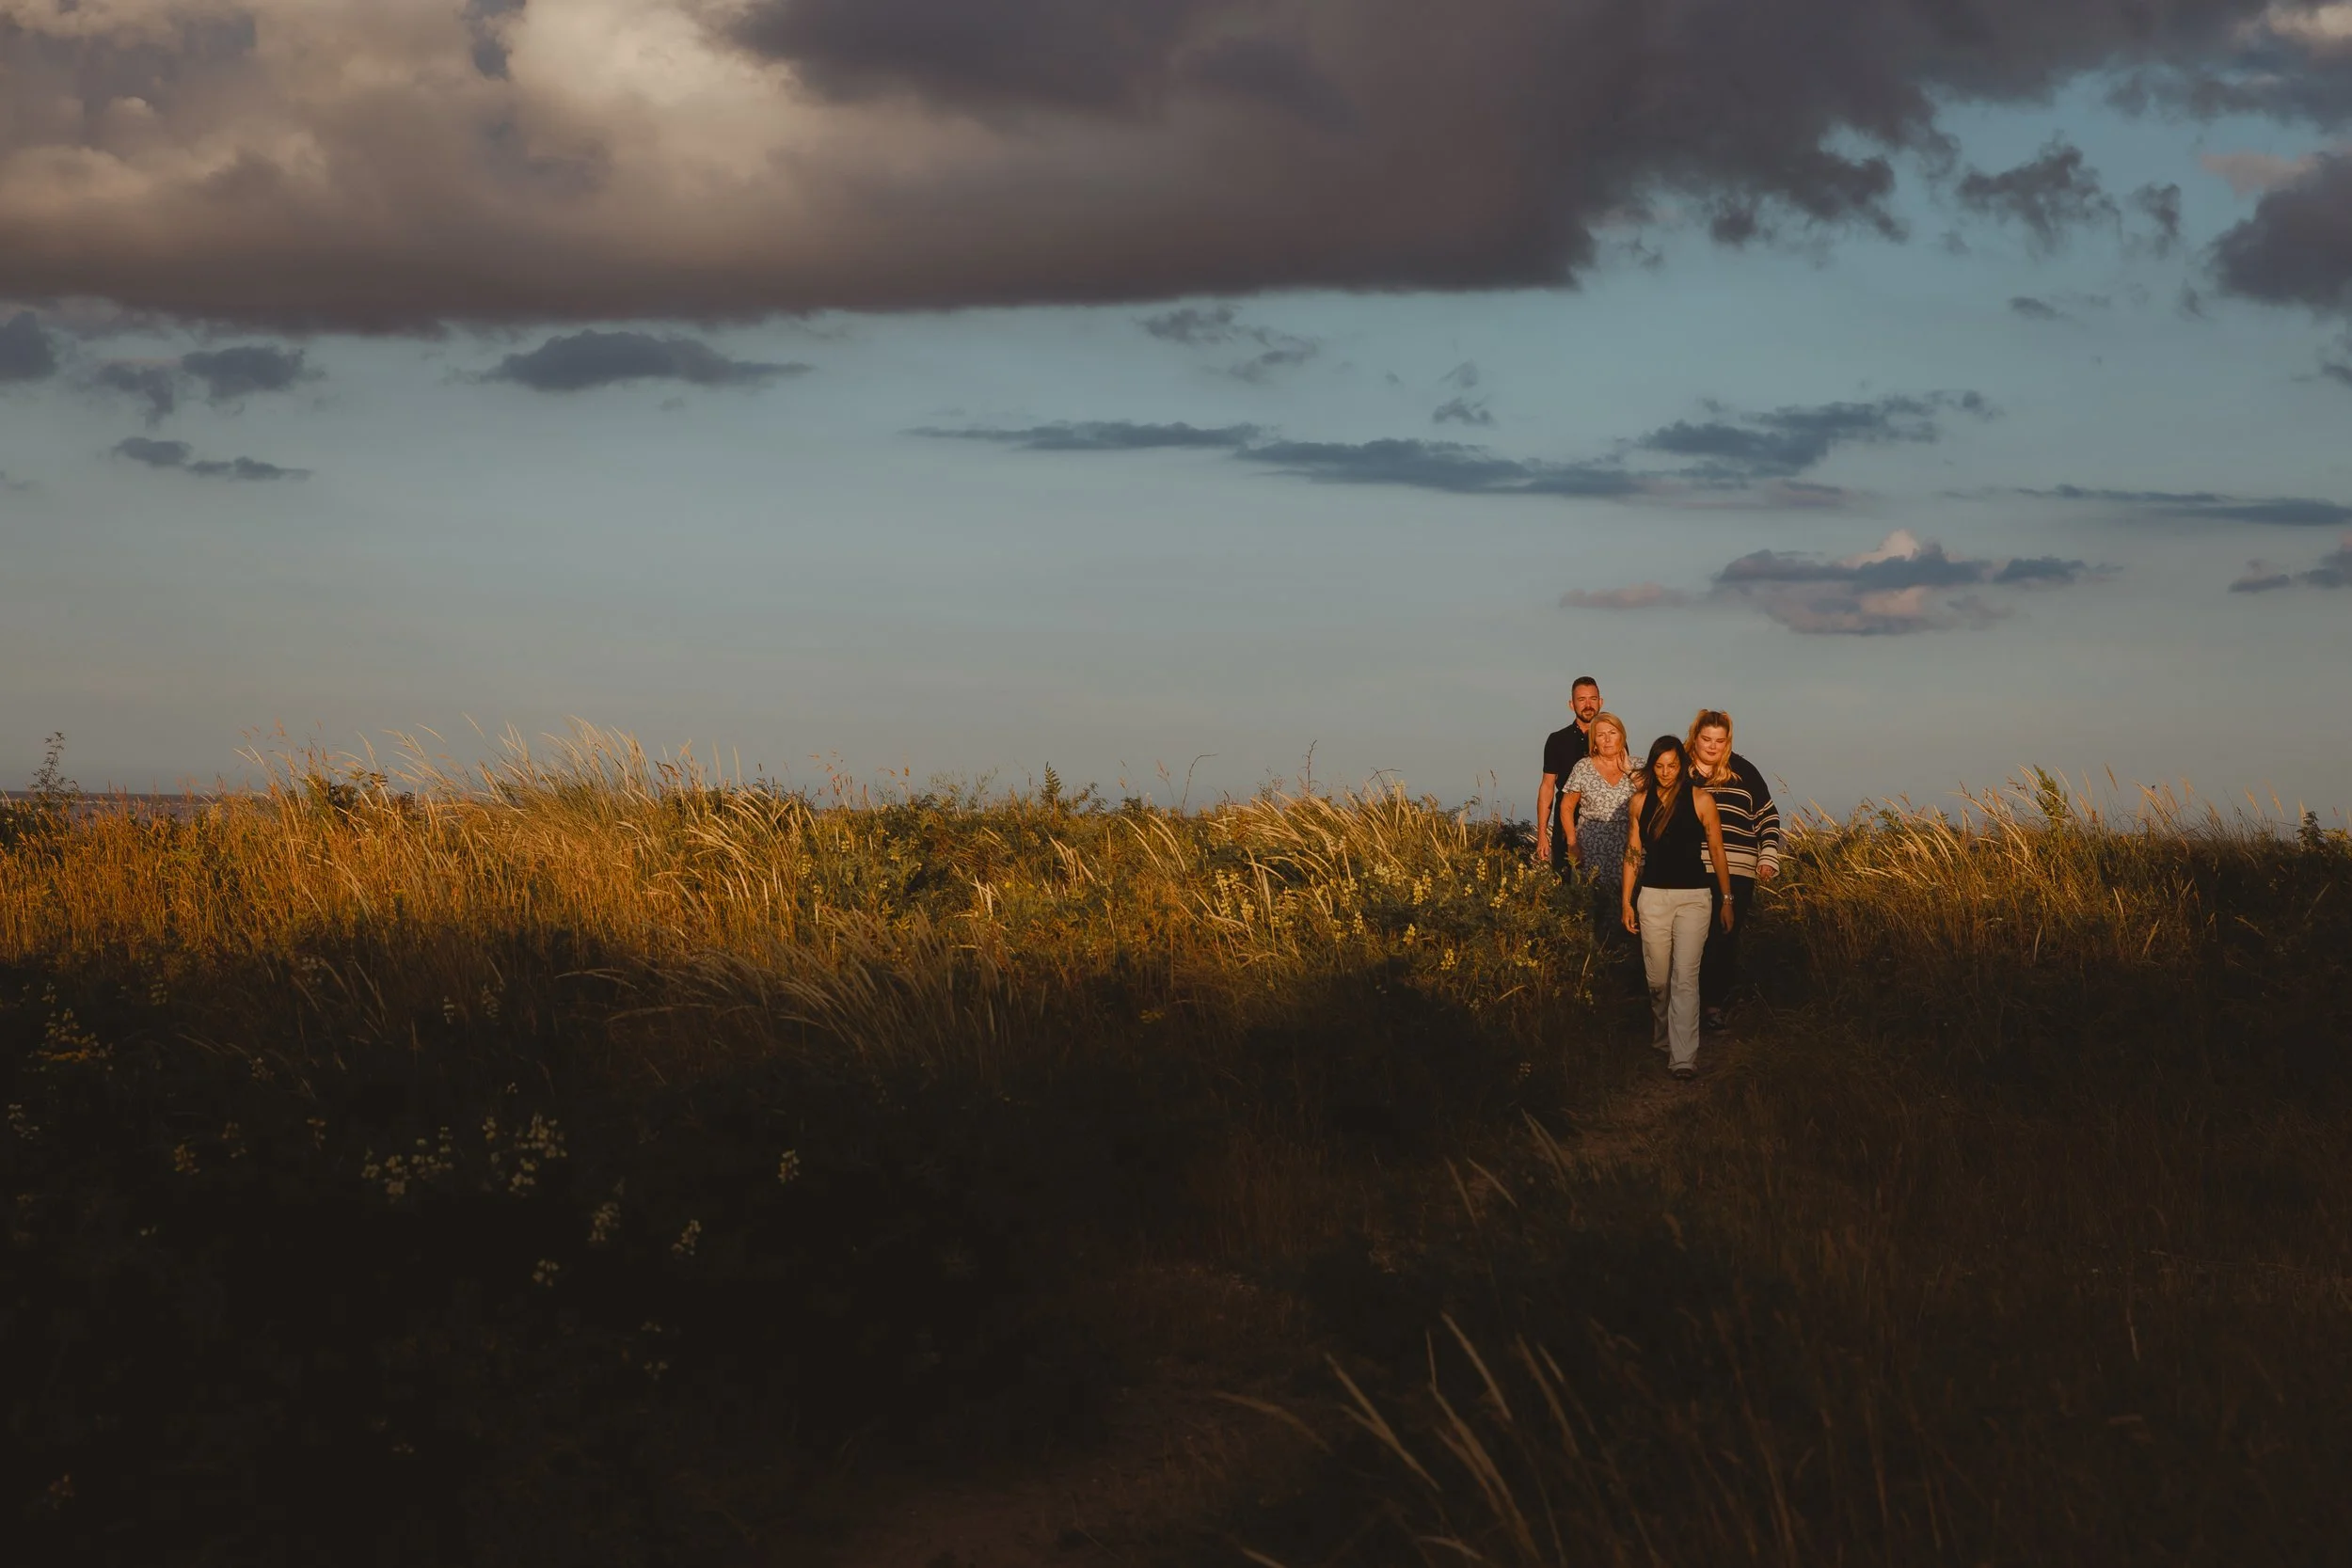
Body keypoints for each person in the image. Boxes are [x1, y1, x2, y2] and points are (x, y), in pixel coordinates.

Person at [1622, 736, 1736, 1080]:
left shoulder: (1701, 800)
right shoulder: (1640, 803)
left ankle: (1684, 1058)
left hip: (1694, 898)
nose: (1666, 772)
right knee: (1658, 979)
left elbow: (1717, 851)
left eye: (1672, 765)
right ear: (1652, 767)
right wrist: (1626, 900)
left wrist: (1726, 899)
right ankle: (1662, 1039)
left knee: (1685, 977)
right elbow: (1632, 853)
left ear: (1682, 766)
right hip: (1653, 897)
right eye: (1659, 766)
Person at [1685, 709, 1783, 1034]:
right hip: (1691, 867)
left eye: (1720, 741)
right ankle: (1684, 1011)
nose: (1712, 747)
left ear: (1728, 741)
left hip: (1739, 868)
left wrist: (1768, 856)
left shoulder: (1744, 771)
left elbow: (1768, 817)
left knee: (1724, 938)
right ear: (1695, 737)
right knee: (1690, 940)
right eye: (1706, 739)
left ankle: (1713, 1008)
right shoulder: (1680, 771)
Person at [1557, 713, 1641, 936]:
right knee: (1589, 909)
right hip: (1591, 846)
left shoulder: (1639, 766)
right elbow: (1566, 807)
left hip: (1628, 847)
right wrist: (1572, 842)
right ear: (1593, 740)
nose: (1607, 739)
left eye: (1612, 733)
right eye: (1601, 735)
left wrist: (1629, 771)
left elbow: (1656, 798)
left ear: (1622, 736)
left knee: (1628, 906)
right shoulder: (1583, 767)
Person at [1534, 676, 1602, 874]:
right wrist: (1541, 834)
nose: (1588, 705)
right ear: (1571, 704)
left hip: (1602, 823)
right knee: (1564, 881)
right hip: (1566, 825)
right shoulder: (1557, 740)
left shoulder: (1612, 739)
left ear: (1601, 702)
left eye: (1593, 699)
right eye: (1582, 700)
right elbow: (1547, 786)